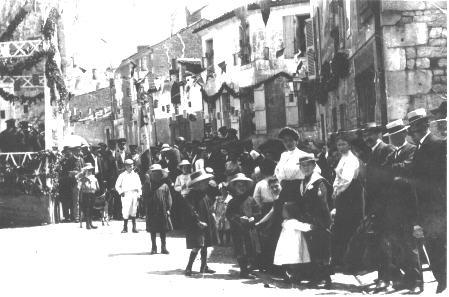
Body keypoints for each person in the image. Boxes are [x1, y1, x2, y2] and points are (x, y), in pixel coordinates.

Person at [407, 108, 446, 294]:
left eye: (418, 127)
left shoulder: (437, 144)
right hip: (423, 206)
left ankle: (443, 281)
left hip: (435, 206)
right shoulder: (419, 148)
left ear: (425, 126)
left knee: (438, 244)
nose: (415, 131)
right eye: (413, 128)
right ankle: (441, 279)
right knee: (431, 245)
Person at [380, 119, 421, 293]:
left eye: (397, 135)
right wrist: (392, 172)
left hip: (407, 205)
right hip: (392, 207)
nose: (394, 139)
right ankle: (404, 279)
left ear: (404, 134)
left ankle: (416, 281)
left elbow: (408, 167)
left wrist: (392, 171)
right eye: (391, 137)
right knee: (395, 244)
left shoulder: (412, 150)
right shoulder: (392, 154)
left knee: (409, 244)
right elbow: (383, 173)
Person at [298, 155, 332, 288]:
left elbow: (323, 202)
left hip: (320, 219)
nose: (306, 168)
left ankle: (325, 278)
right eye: (303, 166)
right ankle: (318, 276)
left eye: (308, 165)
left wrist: (324, 222)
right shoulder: (303, 182)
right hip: (308, 219)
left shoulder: (319, 181)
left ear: (313, 166)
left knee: (322, 248)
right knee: (313, 248)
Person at [331, 132, 362, 269]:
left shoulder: (351, 159)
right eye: (338, 144)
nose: (341, 147)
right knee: (341, 226)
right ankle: (341, 259)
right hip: (343, 194)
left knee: (350, 226)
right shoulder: (342, 158)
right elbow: (338, 178)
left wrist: (338, 190)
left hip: (351, 194)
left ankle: (352, 262)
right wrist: (335, 189)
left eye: (343, 144)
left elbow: (347, 179)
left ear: (349, 145)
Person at [226, 173, 261, 279]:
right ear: (235, 187)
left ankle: (247, 269)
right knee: (240, 250)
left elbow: (258, 211)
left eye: (243, 186)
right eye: (239, 186)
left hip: (249, 229)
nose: (242, 188)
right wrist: (238, 219)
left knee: (250, 248)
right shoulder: (232, 202)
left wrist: (254, 218)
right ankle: (243, 271)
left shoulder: (251, 199)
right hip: (238, 230)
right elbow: (228, 214)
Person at [183, 170, 218, 276]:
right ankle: (189, 267)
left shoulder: (205, 194)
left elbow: (209, 207)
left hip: (207, 221)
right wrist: (197, 221)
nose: (207, 184)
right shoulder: (190, 196)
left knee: (205, 244)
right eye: (204, 182)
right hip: (196, 223)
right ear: (198, 184)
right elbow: (191, 210)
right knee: (197, 245)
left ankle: (204, 266)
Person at [272, 202, 311, 283]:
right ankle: (290, 277)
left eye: (284, 210)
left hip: (293, 245)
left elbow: (303, 226)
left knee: (293, 262)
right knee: (289, 261)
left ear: (290, 212)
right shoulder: (286, 221)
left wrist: (310, 226)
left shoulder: (293, 222)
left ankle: (294, 277)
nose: (282, 212)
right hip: (287, 244)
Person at [143, 164, 172, 254]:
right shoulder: (148, 185)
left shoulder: (164, 186)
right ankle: (154, 247)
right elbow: (145, 196)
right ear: (151, 175)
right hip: (152, 210)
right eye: (154, 174)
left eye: (158, 174)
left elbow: (169, 198)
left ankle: (163, 247)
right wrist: (147, 182)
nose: (156, 176)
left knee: (163, 229)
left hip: (162, 210)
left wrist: (168, 209)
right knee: (153, 229)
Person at [115, 159, 142, 233]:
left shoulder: (136, 175)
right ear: (125, 166)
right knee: (125, 210)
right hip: (126, 194)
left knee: (134, 210)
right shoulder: (122, 175)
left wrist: (139, 194)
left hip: (134, 194)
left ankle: (134, 227)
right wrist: (121, 192)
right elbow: (117, 185)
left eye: (131, 165)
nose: (130, 167)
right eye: (128, 166)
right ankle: (125, 228)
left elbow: (139, 185)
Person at [79, 163, 100, 230]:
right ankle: (87, 224)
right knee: (87, 209)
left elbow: (97, 187)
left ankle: (90, 223)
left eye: (91, 170)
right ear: (85, 170)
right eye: (88, 170)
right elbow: (79, 187)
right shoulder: (83, 179)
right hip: (86, 194)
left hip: (92, 194)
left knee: (91, 208)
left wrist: (94, 189)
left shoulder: (94, 178)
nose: (90, 171)